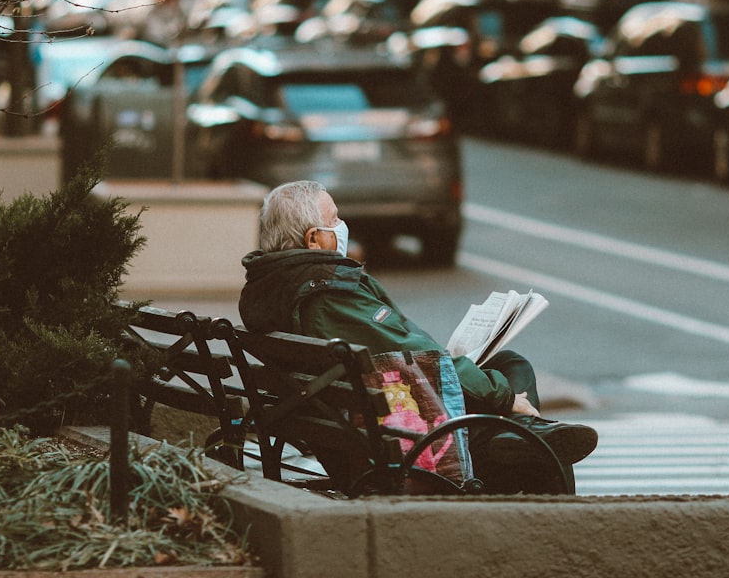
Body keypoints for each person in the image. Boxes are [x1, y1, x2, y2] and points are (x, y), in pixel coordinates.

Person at [238, 179, 598, 494]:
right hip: (400, 441)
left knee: (509, 363)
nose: (343, 225)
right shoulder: (325, 295)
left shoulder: (275, 290)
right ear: (314, 240)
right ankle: (524, 438)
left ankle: (518, 434)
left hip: (359, 420)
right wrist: (503, 399)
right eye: (334, 219)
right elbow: (412, 352)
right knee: (542, 449)